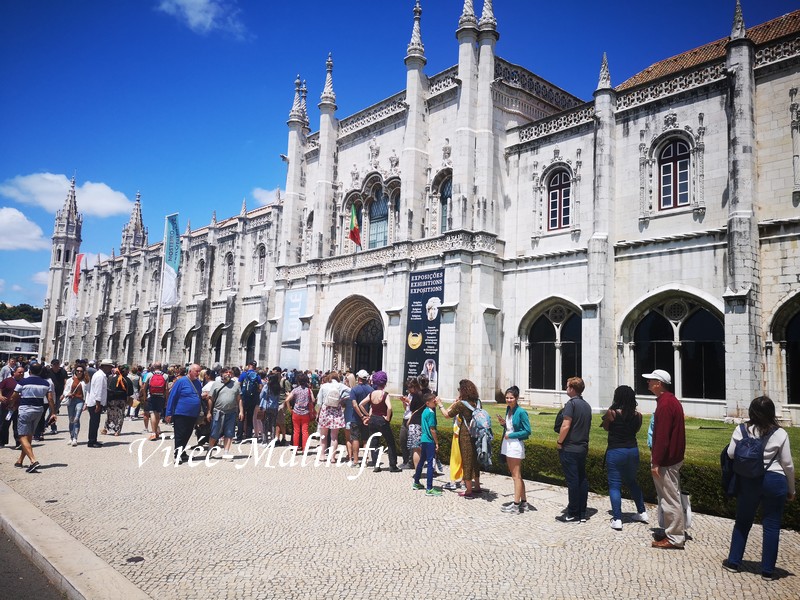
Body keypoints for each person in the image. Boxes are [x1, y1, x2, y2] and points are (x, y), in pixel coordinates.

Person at [722, 396, 795, 580]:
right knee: (771, 525)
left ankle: (733, 562)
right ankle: (768, 571)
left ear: (751, 411)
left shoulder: (741, 430)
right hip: (774, 479)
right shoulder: (780, 433)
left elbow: (731, 453)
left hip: (749, 480)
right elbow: (788, 464)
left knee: (743, 521)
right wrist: (791, 489)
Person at [644, 369, 686, 550]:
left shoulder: (666, 404)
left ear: (658, 384)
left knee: (670, 498)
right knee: (669, 496)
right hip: (671, 458)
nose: (648, 383)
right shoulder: (669, 401)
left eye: (650, 380)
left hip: (667, 461)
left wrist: (656, 462)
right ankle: (671, 530)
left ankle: (675, 537)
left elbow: (662, 437)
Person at [601, 385, 648, 530]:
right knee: (632, 481)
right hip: (632, 450)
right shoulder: (638, 415)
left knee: (615, 484)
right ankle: (642, 512)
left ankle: (617, 518)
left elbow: (606, 427)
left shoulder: (612, 413)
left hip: (616, 450)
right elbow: (636, 429)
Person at [555, 376, 592, 523]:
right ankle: (582, 512)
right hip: (582, 447)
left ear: (572, 389)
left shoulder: (571, 404)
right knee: (582, 479)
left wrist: (559, 441)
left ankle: (572, 513)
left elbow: (565, 425)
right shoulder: (586, 405)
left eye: (567, 386)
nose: (566, 389)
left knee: (572, 481)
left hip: (570, 447)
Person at [438, 379, 483, 497]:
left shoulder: (462, 404)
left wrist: (440, 404)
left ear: (463, 390)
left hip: (466, 434)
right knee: (474, 460)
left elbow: (447, 415)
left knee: (467, 460)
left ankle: (468, 490)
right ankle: (477, 486)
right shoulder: (478, 402)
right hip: (477, 433)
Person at [10, 361, 56, 472]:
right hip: (38, 410)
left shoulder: (23, 382)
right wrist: (53, 412)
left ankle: (33, 461)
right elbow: (50, 399)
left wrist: (11, 405)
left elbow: (14, 395)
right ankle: (20, 460)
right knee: (29, 436)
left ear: (29, 371)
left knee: (21, 436)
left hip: (25, 409)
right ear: (40, 371)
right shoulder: (46, 383)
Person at [497, 386, 531, 514]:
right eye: (507, 397)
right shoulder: (508, 410)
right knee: (516, 476)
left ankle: (516, 505)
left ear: (516, 398)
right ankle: (524, 503)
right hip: (507, 444)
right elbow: (511, 427)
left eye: (511, 398)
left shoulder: (521, 412)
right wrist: (503, 424)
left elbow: (527, 431)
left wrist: (511, 435)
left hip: (515, 445)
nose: (508, 400)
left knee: (516, 476)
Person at [358, 370, 401, 473]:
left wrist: (367, 415)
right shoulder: (385, 394)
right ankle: (393, 465)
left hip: (373, 419)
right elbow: (389, 407)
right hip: (382, 420)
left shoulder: (372, 393)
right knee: (390, 442)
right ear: (385, 383)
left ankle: (376, 465)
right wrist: (387, 417)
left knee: (374, 442)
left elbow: (360, 404)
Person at [165, 363, 203, 464]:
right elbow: (172, 397)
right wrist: (168, 413)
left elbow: (198, 395)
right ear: (190, 371)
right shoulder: (181, 381)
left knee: (187, 434)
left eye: (199, 371)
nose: (198, 373)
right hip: (181, 413)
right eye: (196, 371)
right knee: (180, 434)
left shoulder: (198, 383)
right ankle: (177, 455)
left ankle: (182, 452)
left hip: (193, 413)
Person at [206, 367, 243, 459]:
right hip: (218, 411)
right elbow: (210, 399)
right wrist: (208, 412)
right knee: (214, 432)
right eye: (226, 372)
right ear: (221, 374)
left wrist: (241, 411)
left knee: (229, 433)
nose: (228, 374)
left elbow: (239, 399)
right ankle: (210, 450)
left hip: (231, 412)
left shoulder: (236, 385)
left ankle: (226, 452)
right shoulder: (216, 384)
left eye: (230, 372)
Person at [412, 393, 442, 496]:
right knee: (430, 463)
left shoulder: (424, 411)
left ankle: (416, 482)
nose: (436, 402)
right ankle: (429, 488)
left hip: (423, 439)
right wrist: (436, 442)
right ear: (428, 403)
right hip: (429, 440)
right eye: (434, 401)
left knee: (421, 461)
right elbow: (432, 429)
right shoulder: (431, 413)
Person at [317, 372, 349, 462]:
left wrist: (318, 413)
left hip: (325, 410)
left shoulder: (324, 386)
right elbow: (351, 392)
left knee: (323, 435)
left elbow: (319, 402)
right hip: (336, 411)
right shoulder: (341, 385)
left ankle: (322, 455)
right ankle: (332, 457)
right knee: (334, 437)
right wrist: (342, 399)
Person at [347, 370, 372, 466]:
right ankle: (365, 461)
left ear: (359, 378)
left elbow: (354, 404)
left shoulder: (354, 389)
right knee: (365, 439)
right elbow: (372, 405)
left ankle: (356, 461)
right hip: (367, 418)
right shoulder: (371, 390)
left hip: (356, 418)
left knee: (355, 439)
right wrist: (367, 416)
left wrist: (361, 416)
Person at [85, 359, 113, 448]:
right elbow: (98, 391)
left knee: (95, 422)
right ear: (104, 366)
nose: (110, 368)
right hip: (95, 403)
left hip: (95, 402)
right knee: (94, 422)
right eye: (109, 366)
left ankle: (93, 440)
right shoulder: (100, 376)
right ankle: (91, 441)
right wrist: (98, 404)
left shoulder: (100, 375)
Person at [284, 372, 315, 451]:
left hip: (296, 412)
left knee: (296, 431)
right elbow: (313, 400)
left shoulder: (295, 390)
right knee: (305, 431)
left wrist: (289, 409)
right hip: (305, 412)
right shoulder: (308, 390)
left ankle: (295, 448)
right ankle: (305, 448)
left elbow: (287, 400)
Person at [63, 364, 89, 446]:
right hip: (71, 400)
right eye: (78, 371)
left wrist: (86, 403)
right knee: (71, 419)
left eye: (81, 371)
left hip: (80, 400)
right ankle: (71, 437)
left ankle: (75, 438)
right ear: (75, 371)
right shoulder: (70, 380)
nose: (79, 372)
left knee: (76, 418)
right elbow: (65, 390)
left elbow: (88, 393)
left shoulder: (85, 381)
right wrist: (68, 394)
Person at [103, 364, 132, 436]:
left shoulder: (112, 378)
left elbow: (108, 389)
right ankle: (117, 431)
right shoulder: (127, 380)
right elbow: (130, 392)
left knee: (110, 414)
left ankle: (105, 429)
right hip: (121, 400)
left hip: (111, 399)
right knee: (120, 415)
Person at [142, 362, 167, 441]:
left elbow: (144, 388)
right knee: (158, 414)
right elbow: (166, 389)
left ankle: (153, 433)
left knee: (152, 413)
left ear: (153, 367)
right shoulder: (165, 375)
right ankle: (156, 431)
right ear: (161, 367)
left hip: (151, 396)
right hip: (161, 396)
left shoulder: (150, 375)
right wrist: (166, 399)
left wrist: (145, 397)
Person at [0, 365, 23, 448]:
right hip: (6, 407)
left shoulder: (23, 382)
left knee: (17, 426)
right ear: (14, 372)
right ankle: (2, 442)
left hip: (18, 407)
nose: (21, 374)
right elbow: (0, 388)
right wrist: (1, 396)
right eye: (19, 372)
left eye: (22, 372)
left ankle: (18, 442)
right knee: (4, 424)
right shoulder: (7, 381)